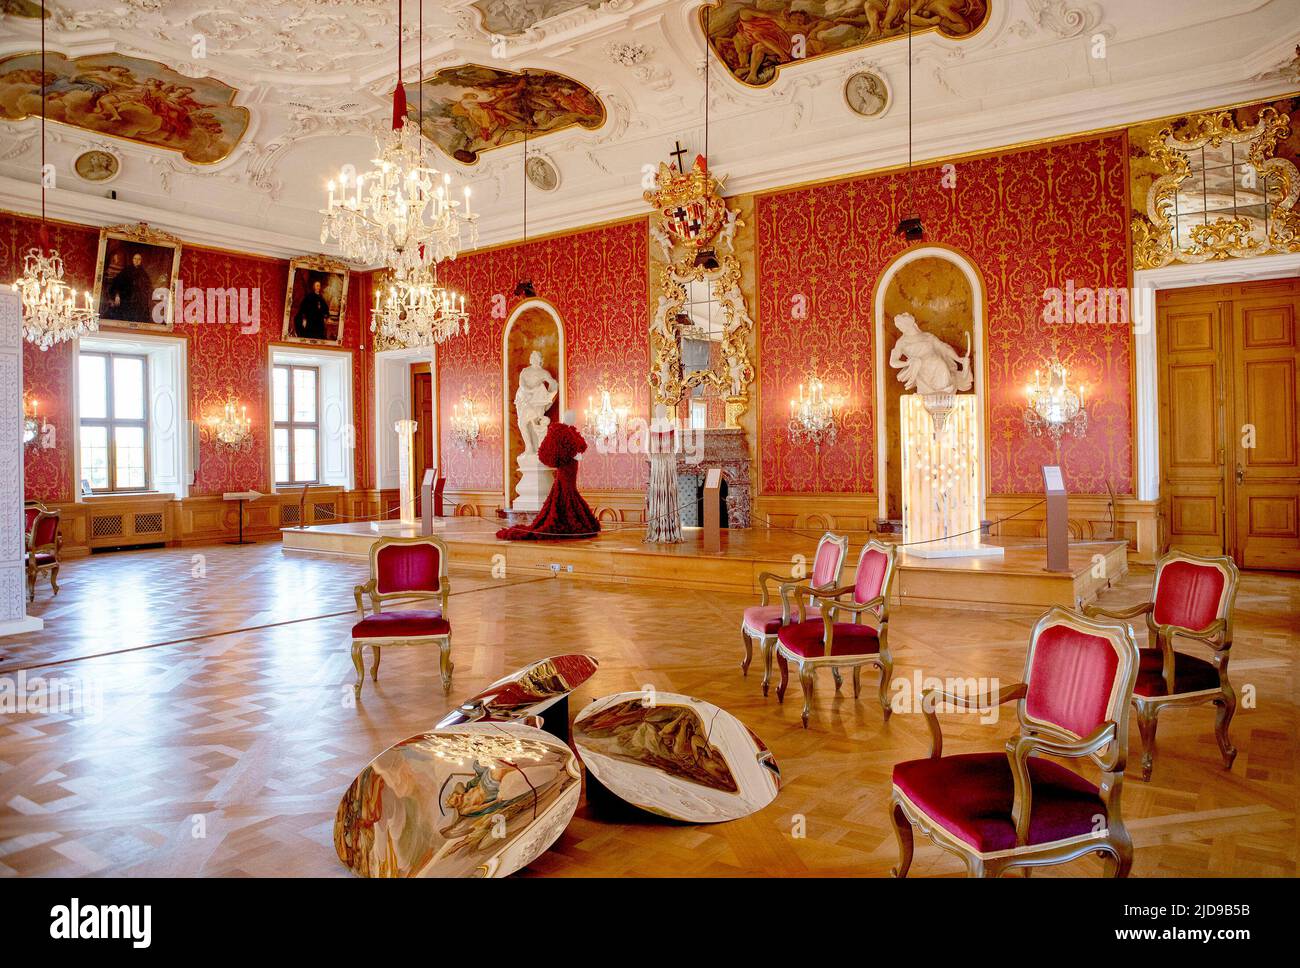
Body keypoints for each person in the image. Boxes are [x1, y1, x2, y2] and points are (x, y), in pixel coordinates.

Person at [496, 409, 600, 541]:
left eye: (573, 416)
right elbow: (554, 451)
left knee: (569, 489)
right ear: (564, 417)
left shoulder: (571, 430)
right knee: (567, 490)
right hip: (566, 467)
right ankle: (568, 521)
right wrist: (571, 454)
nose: (572, 418)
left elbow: (581, 446)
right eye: (570, 416)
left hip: (572, 467)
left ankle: (571, 520)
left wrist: (576, 452)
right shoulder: (559, 431)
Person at [105, 250, 152, 323]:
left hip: (138, 302)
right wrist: (117, 295)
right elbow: (117, 283)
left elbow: (147, 287)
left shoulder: (143, 273)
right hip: (126, 300)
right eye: (135, 259)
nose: (136, 261)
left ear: (141, 261)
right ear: (132, 260)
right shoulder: (126, 271)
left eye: (139, 259)